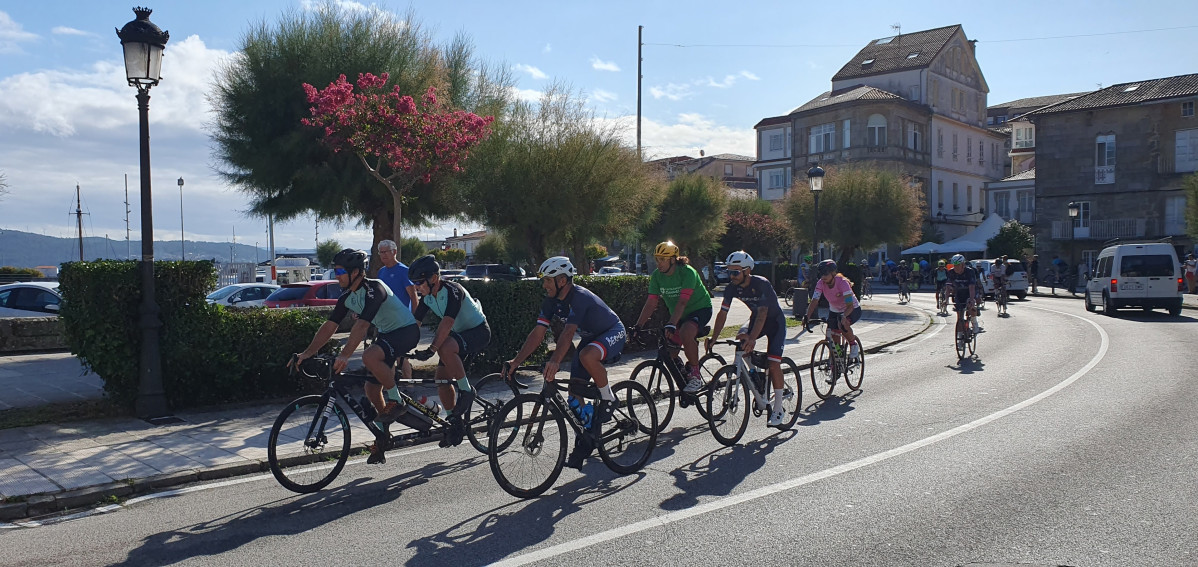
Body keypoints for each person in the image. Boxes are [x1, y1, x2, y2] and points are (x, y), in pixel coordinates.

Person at [289, 248, 420, 463]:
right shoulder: (348, 297)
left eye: (340, 271)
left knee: (369, 356)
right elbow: (330, 326)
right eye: (335, 270)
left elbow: (361, 325)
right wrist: (307, 353)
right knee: (370, 388)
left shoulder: (374, 289)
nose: (336, 275)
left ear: (357, 272)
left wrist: (345, 355)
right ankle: (383, 433)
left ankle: (396, 400)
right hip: (388, 334)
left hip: (406, 331)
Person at [505, 256, 626, 469]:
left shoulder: (579, 297)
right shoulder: (551, 300)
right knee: (574, 394)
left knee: (587, 355)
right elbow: (538, 333)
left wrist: (555, 361)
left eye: (547, 280)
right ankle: (588, 437)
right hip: (591, 338)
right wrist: (516, 361)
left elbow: (568, 333)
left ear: (562, 280)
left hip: (612, 331)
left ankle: (609, 398)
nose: (544, 284)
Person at [407, 254, 490, 447]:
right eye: (415, 283)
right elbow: (413, 325)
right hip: (460, 337)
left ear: (433, 278)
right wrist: (399, 346)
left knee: (444, 347)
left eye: (419, 282)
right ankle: (455, 423)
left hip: (478, 332)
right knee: (441, 381)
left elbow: (447, 323)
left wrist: (431, 349)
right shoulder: (427, 298)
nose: (417, 287)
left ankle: (467, 390)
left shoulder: (453, 290)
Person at [706, 251, 792, 427]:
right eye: (729, 271)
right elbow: (723, 313)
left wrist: (752, 339)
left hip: (774, 322)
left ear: (747, 271)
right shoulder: (731, 288)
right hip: (756, 319)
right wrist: (713, 338)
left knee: (774, 363)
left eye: (735, 272)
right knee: (740, 339)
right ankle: (754, 373)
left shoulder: (761, 284)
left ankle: (777, 409)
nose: (731, 276)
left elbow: (762, 314)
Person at [632, 241, 713, 392]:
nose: (659, 263)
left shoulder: (687, 272)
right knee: (670, 352)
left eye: (662, 259)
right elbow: (651, 303)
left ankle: (695, 376)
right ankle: (683, 373)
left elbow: (682, 302)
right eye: (657, 259)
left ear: (672, 259)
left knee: (685, 332)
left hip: (699, 309)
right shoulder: (657, 276)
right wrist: (638, 326)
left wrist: (671, 323)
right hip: (678, 314)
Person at [375, 239, 418, 381]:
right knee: (388, 356)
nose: (383, 255)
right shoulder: (381, 272)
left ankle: (409, 384)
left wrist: (415, 319)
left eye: (385, 252)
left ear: (394, 252)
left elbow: (413, 296)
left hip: (402, 321)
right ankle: (391, 387)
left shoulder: (403, 271)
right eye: (380, 253)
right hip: (386, 322)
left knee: (401, 356)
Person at [803, 259, 861, 360]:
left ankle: (853, 344)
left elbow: (850, 305)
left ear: (833, 273)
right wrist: (807, 316)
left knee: (842, 324)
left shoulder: (842, 283)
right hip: (835, 310)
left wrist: (844, 316)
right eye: (821, 274)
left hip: (852, 309)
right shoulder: (820, 283)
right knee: (832, 334)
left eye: (825, 273)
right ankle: (837, 359)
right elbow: (814, 301)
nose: (823, 277)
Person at [946, 254, 979, 335]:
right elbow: (948, 287)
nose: (956, 267)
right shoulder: (951, 272)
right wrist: (945, 300)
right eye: (955, 265)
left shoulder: (970, 271)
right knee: (960, 317)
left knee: (971, 306)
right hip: (959, 293)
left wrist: (972, 299)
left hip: (970, 292)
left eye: (958, 265)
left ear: (963, 264)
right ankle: (960, 337)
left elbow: (971, 287)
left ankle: (974, 322)